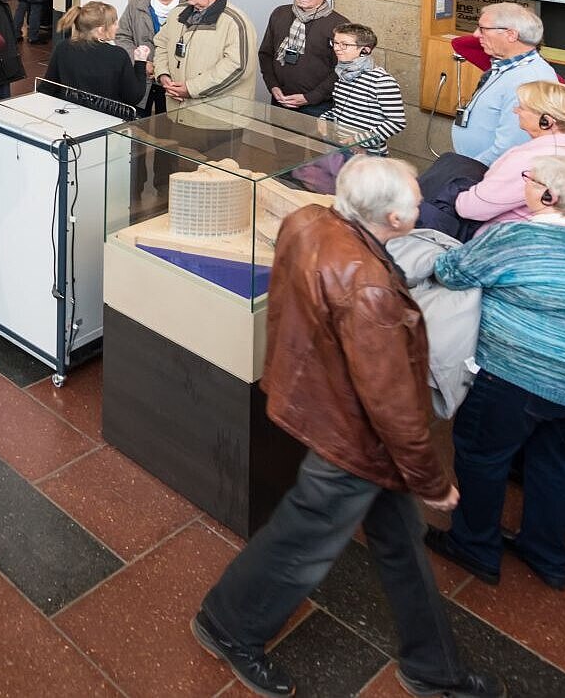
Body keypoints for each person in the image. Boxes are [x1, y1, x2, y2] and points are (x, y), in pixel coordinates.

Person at [193, 157, 499, 698]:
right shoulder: (371, 290)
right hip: (352, 435)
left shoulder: (309, 221)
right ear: (395, 220)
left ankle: (434, 666)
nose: (421, 203)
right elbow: (394, 404)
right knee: (302, 543)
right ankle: (228, 625)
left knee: (399, 540)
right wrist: (433, 479)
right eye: (413, 200)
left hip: (321, 404)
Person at [426, 158, 565, 593]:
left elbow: (452, 271)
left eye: (531, 179)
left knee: (482, 456)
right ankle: (548, 554)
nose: (525, 185)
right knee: (554, 461)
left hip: (515, 375)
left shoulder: (518, 235)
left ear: (549, 196)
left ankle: (474, 546)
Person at [450, 81, 565, 229]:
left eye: (522, 107)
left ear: (546, 121)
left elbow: (470, 208)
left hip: (505, 241)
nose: (516, 111)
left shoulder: (528, 159)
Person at [452, 3, 559, 166]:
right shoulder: (506, 65)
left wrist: (469, 170)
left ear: (511, 35)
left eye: (482, 29)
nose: (475, 35)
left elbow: (511, 148)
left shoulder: (529, 80)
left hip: (488, 174)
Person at [152, 0, 256, 108]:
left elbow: (237, 67)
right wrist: (163, 75)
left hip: (218, 119)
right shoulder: (176, 14)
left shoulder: (235, 22)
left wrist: (190, 89)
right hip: (177, 111)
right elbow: (161, 44)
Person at [259, 0, 349, 116]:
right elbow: (265, 54)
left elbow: (342, 69)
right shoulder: (280, 14)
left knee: (314, 140)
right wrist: (273, 86)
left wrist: (310, 97)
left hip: (318, 106)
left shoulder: (339, 25)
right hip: (280, 99)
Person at [319, 24, 408, 153]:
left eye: (345, 45)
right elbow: (343, 110)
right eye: (336, 43)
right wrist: (324, 118)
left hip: (367, 154)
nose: (337, 48)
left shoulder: (382, 80)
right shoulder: (343, 74)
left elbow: (397, 121)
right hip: (339, 147)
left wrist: (360, 140)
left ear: (365, 50)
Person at [44, 2, 145, 109]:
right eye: (114, 23)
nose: (117, 27)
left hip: (69, 112)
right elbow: (134, 97)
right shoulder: (118, 55)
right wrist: (140, 62)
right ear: (101, 30)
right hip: (107, 117)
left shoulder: (63, 47)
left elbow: (48, 86)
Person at [117, 0, 184, 114]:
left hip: (171, 80)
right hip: (141, 75)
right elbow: (122, 36)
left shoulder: (187, 10)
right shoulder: (138, 4)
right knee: (138, 120)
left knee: (167, 126)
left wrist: (163, 69)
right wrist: (140, 62)